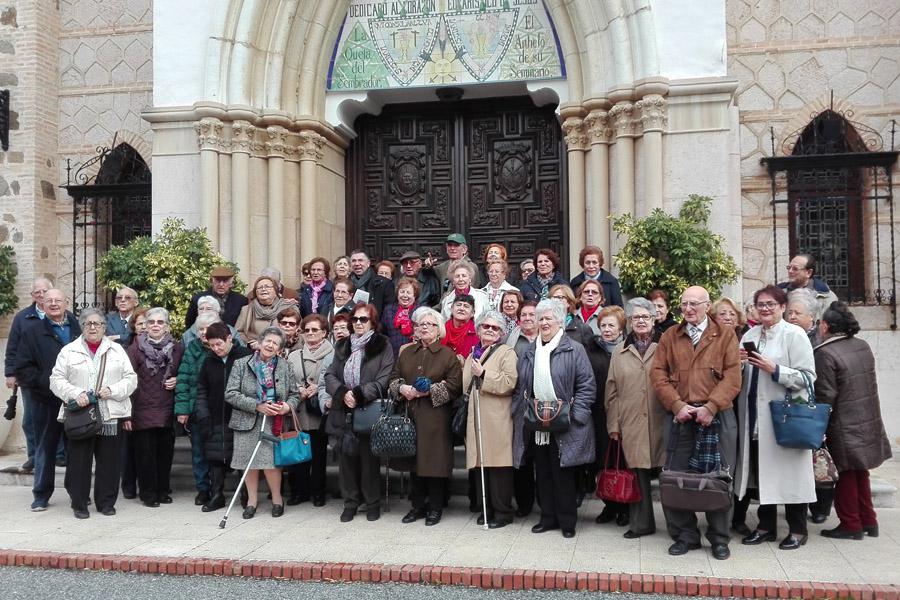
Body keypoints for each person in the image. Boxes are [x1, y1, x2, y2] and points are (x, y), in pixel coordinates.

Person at [650, 285, 741, 561]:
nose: (688, 310)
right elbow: (658, 374)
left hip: (717, 416)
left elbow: (733, 377)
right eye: (684, 305)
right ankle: (685, 535)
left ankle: (719, 538)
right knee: (676, 476)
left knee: (719, 478)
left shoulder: (725, 335)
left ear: (707, 305)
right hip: (680, 417)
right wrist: (677, 405)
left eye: (694, 304)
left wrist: (712, 407)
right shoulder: (670, 336)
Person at [734, 285, 817, 551]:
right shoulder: (750, 334)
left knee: (791, 473)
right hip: (754, 416)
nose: (765, 309)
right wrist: (738, 364)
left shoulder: (795, 335)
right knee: (762, 473)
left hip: (785, 417)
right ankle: (766, 526)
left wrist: (775, 369)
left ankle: (797, 528)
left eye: (771, 304)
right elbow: (742, 378)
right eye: (761, 305)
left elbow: (808, 378)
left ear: (782, 307)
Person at [511, 299, 596, 538]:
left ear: (560, 321)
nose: (544, 322)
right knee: (544, 472)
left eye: (549, 318)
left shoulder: (574, 349)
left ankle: (567, 521)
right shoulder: (529, 352)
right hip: (537, 422)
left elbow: (587, 385)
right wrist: (521, 412)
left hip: (565, 423)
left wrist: (575, 415)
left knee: (563, 474)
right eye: (541, 318)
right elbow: (520, 387)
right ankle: (547, 518)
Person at [814, 302, 892, 540]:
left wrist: (819, 428)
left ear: (825, 326)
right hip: (867, 417)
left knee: (846, 474)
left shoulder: (825, 353)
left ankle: (851, 524)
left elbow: (825, 395)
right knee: (861, 472)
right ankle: (869, 521)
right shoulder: (862, 346)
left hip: (843, 423)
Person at [49, 308, 138, 518]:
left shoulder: (117, 351)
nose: (93, 327)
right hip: (81, 415)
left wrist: (113, 391)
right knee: (79, 461)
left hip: (109, 413)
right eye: (88, 323)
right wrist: (75, 393)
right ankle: (79, 504)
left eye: (97, 324)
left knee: (109, 461)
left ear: (104, 327)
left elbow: (131, 379)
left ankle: (106, 503)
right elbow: (56, 380)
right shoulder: (69, 351)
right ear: (82, 327)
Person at [391, 307, 463, 527]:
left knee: (434, 464)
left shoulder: (447, 355)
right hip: (410, 416)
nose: (423, 328)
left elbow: (454, 385)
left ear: (438, 329)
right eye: (420, 324)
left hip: (436, 418)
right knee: (414, 463)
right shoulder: (406, 353)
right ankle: (417, 506)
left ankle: (435, 508)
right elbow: (393, 379)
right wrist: (402, 389)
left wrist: (429, 391)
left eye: (428, 324)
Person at [325, 303, 395, 523]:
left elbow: (385, 377)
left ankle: (372, 503)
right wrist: (343, 393)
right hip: (343, 410)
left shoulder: (382, 344)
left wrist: (358, 394)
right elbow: (330, 375)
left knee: (369, 460)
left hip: (368, 409)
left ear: (372, 322)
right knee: (346, 460)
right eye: (355, 319)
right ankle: (350, 503)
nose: (358, 323)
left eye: (363, 319)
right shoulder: (342, 345)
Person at [14, 288, 81, 511]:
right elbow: (22, 368)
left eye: (58, 300)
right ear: (42, 304)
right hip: (45, 400)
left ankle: (77, 493)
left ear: (66, 303)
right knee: (45, 448)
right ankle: (41, 495)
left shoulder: (77, 328)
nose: (53, 304)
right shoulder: (32, 331)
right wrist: (46, 382)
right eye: (49, 300)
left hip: (74, 401)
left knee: (75, 449)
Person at [605, 298, 666, 538]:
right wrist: (614, 425)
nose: (640, 321)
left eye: (645, 317)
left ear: (654, 319)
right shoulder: (619, 352)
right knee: (637, 474)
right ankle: (641, 524)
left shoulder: (666, 345)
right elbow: (612, 393)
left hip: (663, 419)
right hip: (631, 422)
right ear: (629, 322)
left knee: (667, 474)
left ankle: (678, 526)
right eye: (635, 318)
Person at [226, 327, 300, 519]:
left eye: (275, 343)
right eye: (267, 341)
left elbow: (295, 394)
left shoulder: (285, 366)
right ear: (259, 342)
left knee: (271, 463)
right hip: (247, 420)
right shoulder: (241, 364)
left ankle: (277, 499)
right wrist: (257, 406)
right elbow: (231, 393)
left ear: (280, 349)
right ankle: (252, 501)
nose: (270, 345)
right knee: (249, 463)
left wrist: (286, 407)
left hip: (273, 421)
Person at [462, 310, 519, 528]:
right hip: (476, 415)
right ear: (478, 330)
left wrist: (484, 373)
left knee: (498, 465)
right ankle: (487, 509)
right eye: (486, 326)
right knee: (481, 464)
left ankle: (503, 512)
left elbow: (509, 382)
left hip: (497, 417)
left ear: (502, 333)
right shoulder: (473, 352)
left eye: (495, 328)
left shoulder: (506, 353)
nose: (489, 330)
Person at [127, 307, 184, 508]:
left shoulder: (177, 348)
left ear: (167, 326)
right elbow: (128, 378)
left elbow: (184, 373)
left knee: (164, 453)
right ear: (146, 326)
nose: (156, 326)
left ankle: (162, 490)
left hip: (167, 407)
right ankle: (148, 493)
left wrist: (178, 379)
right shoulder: (135, 348)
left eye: (160, 322)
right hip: (142, 407)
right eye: (151, 322)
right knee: (145, 454)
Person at [194, 322, 253, 512]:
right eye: (212, 345)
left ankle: (246, 495)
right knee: (215, 457)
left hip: (240, 416)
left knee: (241, 457)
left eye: (219, 344)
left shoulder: (245, 356)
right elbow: (202, 389)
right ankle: (217, 494)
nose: (216, 349)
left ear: (229, 338)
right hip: (215, 416)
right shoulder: (209, 360)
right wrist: (202, 413)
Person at [709, 297, 752, 536]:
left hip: (743, 412)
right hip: (721, 411)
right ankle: (717, 517)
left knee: (740, 467)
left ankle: (737, 517)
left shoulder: (748, 341)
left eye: (732, 314)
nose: (727, 317)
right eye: (722, 314)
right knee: (722, 466)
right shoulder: (710, 341)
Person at [4, 277, 53, 472]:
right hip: (29, 377)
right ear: (32, 295)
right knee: (31, 418)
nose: (41, 295)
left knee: (58, 415)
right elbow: (12, 347)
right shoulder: (22, 317)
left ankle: (58, 455)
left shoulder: (62, 315)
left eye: (44, 291)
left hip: (55, 376)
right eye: (37, 292)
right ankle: (34, 455)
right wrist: (10, 373)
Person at [286, 314, 334, 507]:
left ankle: (318, 492)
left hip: (320, 411)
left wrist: (320, 387)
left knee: (318, 455)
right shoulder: (293, 355)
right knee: (299, 454)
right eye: (307, 330)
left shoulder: (333, 353)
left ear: (324, 333)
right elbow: (287, 379)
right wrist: (299, 390)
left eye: (315, 330)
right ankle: (299, 491)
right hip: (300, 410)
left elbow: (336, 377)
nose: (311, 333)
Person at [174, 312, 220, 507]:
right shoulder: (191, 349)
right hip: (195, 410)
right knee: (198, 453)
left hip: (217, 410)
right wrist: (182, 410)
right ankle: (203, 489)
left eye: (207, 329)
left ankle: (218, 488)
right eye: (200, 329)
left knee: (216, 452)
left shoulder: (221, 350)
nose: (203, 333)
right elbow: (183, 380)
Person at [592, 305, 629, 526]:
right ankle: (609, 504)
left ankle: (625, 506)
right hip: (598, 412)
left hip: (624, 412)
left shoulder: (628, 348)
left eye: (611, 325)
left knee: (622, 461)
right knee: (603, 461)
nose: (606, 330)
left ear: (621, 327)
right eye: (603, 325)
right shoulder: (593, 348)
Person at [235, 275, 291, 349]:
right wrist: (250, 344)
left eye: (267, 286)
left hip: (281, 350)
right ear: (256, 292)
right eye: (260, 288)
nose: (263, 289)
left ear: (276, 290)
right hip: (254, 351)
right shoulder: (246, 309)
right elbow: (237, 333)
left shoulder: (287, 307)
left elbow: (296, 331)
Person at [777, 254, 838, 320]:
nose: (790, 271)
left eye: (795, 269)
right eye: (789, 268)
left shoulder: (826, 296)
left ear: (809, 272)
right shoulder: (779, 292)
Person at [381, 277, 420, 357]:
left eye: (408, 293)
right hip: (393, 354)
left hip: (415, 354)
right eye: (402, 292)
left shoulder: (420, 311)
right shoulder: (389, 310)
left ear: (414, 295)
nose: (405, 295)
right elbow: (383, 332)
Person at [348, 249, 395, 316]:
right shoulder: (346, 284)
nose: (357, 264)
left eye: (360, 260)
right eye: (354, 261)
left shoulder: (384, 283)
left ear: (368, 263)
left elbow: (389, 311)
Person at [442, 294, 480, 359]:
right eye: (458, 305)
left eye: (466, 306)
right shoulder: (440, 330)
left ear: (472, 313)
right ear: (451, 309)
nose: (462, 308)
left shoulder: (477, 334)